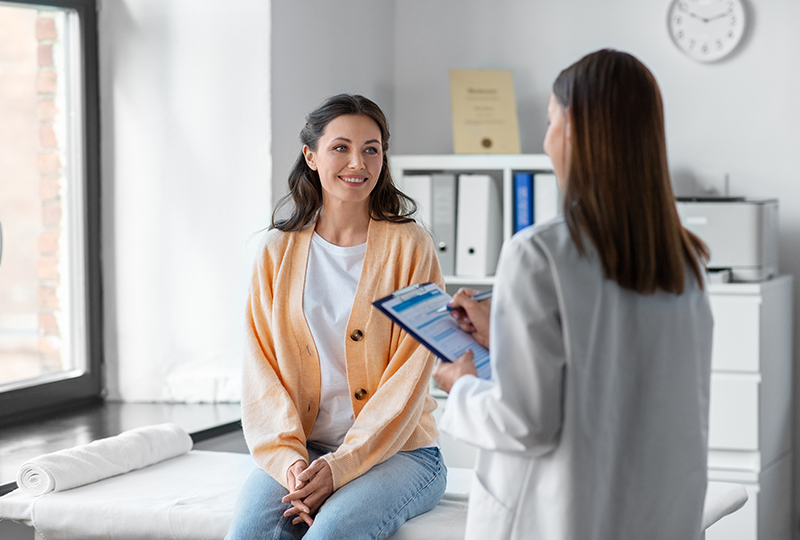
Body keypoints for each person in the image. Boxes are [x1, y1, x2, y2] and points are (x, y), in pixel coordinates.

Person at [433, 49, 713, 540]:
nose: (546, 142)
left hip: (562, 519)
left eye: (549, 121)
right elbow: (616, 372)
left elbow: (525, 422)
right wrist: (505, 338)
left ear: (575, 127)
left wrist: (460, 386)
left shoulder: (538, 253)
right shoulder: (683, 260)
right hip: (655, 518)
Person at [226, 94, 446, 540]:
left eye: (371, 148)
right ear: (311, 156)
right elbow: (260, 370)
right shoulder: (276, 251)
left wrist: (341, 466)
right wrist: (293, 466)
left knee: (331, 534)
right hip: (300, 451)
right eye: (341, 147)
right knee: (250, 533)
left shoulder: (412, 247)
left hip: (401, 453)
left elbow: (412, 374)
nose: (357, 162)